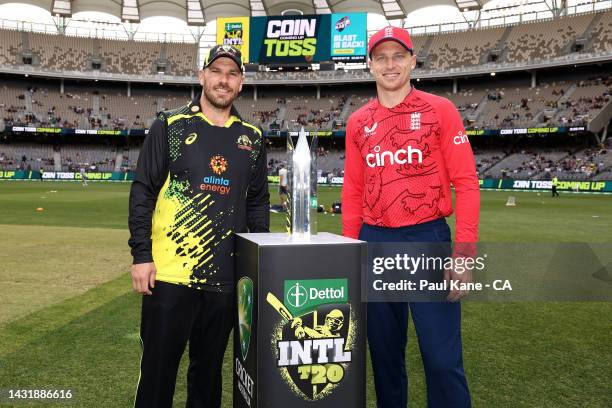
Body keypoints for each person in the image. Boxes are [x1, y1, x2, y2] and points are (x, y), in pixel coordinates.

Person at [341, 26, 480, 408]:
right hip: (374, 241)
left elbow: (466, 183)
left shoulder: (440, 110)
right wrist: (350, 255)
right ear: (369, 65)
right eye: (381, 57)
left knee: (441, 358)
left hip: (428, 239)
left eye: (398, 56)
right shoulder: (357, 122)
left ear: (412, 60)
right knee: (384, 359)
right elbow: (353, 193)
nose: (390, 64)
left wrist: (464, 254)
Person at [128, 44, 269, 408]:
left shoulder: (252, 137)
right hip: (170, 275)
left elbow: (256, 202)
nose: (224, 80)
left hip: (225, 278)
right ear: (202, 76)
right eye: (217, 71)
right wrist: (141, 255)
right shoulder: (170, 125)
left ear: (241, 83)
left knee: (207, 377)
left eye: (232, 73)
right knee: (158, 375)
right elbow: (144, 190)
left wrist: (259, 264)